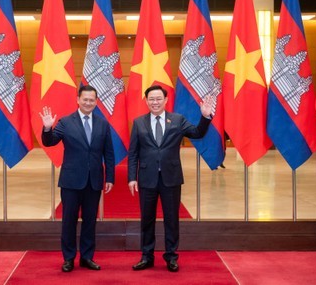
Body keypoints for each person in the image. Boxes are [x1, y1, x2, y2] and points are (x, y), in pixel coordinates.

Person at [128, 84, 214, 272]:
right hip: (146, 178)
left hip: (171, 178)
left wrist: (205, 116)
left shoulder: (177, 120)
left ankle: (171, 257)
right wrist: (131, 178)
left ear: (166, 101)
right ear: (146, 101)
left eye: (159, 99)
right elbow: (133, 152)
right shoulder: (138, 122)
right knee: (147, 219)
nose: (155, 102)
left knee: (172, 219)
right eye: (151, 99)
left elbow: (197, 133)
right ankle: (146, 256)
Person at [40, 85, 115, 272]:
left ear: (96, 102)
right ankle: (69, 258)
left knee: (90, 220)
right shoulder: (66, 122)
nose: (88, 102)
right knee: (69, 220)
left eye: (92, 100)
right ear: (78, 100)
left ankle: (87, 257)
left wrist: (110, 178)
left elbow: (109, 153)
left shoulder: (103, 123)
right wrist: (47, 128)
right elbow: (49, 142)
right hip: (71, 181)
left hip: (94, 181)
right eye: (85, 99)